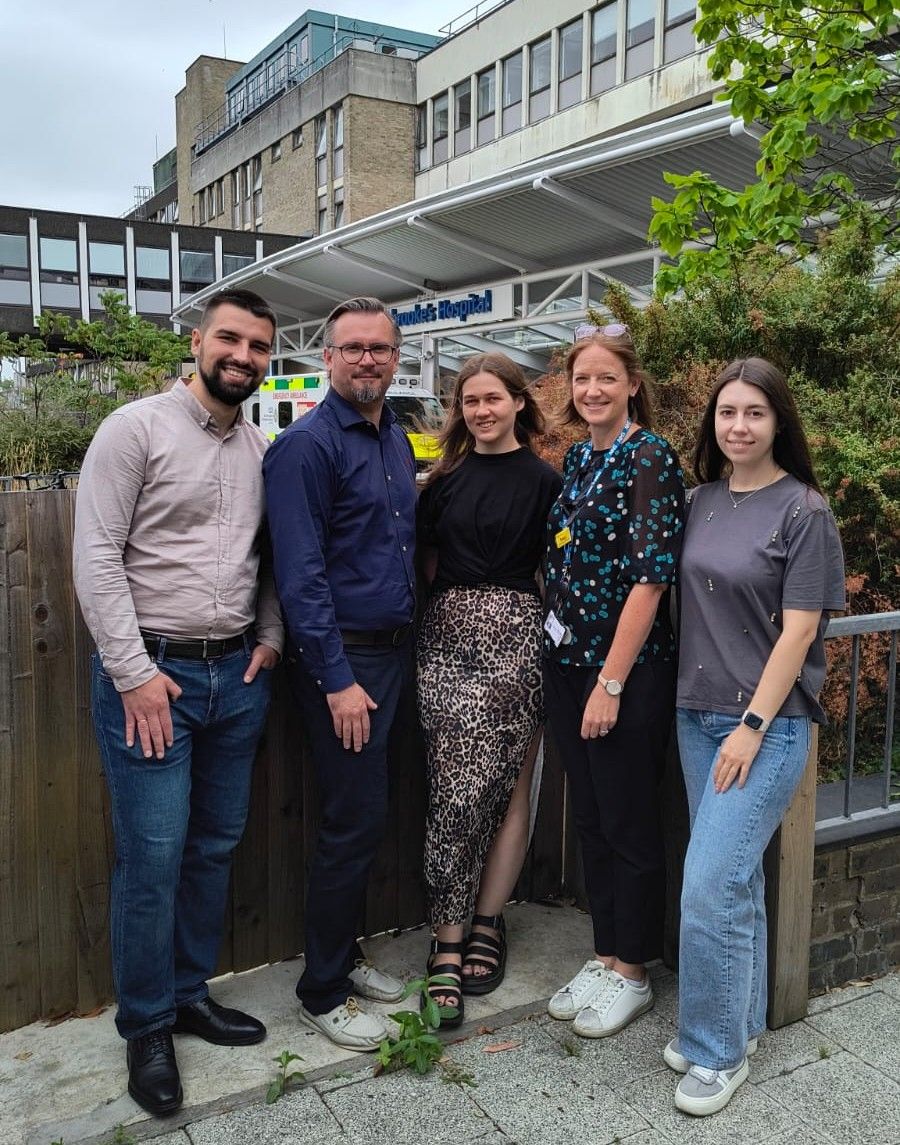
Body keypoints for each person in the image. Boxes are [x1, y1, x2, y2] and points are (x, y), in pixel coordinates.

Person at [73, 288, 283, 1117]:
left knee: (214, 846)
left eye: (258, 346)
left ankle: (189, 992)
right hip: (152, 679)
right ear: (197, 341)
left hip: (237, 676)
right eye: (229, 338)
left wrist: (271, 638)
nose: (242, 355)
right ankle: (147, 1023)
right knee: (153, 858)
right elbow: (95, 555)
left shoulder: (261, 449)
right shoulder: (135, 429)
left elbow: (271, 558)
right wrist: (132, 674)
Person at [665, 358, 845, 1116]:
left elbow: (799, 630)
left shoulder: (805, 510)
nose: (738, 426)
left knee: (708, 885)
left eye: (754, 413)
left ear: (778, 422)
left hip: (763, 728)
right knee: (735, 881)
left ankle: (716, 1055)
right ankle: (737, 1023)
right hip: (693, 715)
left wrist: (750, 726)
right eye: (727, 412)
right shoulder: (699, 500)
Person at [263, 296, 416, 1052]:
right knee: (350, 821)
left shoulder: (394, 437)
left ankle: (345, 957)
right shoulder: (305, 447)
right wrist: (335, 679)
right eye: (351, 347)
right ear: (326, 358)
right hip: (345, 663)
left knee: (367, 817)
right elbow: (300, 576)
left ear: (396, 358)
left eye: (379, 348)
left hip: (393, 652)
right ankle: (321, 990)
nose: (366, 359)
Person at [542, 323, 684, 1039]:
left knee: (628, 821)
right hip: (567, 665)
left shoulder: (649, 456)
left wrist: (612, 682)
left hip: (622, 674)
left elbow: (650, 580)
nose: (592, 389)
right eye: (582, 378)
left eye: (606, 377)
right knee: (593, 818)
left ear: (632, 384)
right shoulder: (578, 457)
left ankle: (634, 969)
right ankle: (604, 954)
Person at [416, 353, 562, 1026]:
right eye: (470, 400)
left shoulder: (546, 482)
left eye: (493, 398)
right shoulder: (442, 482)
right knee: (452, 790)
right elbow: (425, 562)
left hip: (518, 641)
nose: (481, 410)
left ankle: (486, 921)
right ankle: (447, 936)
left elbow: (556, 569)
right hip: (446, 640)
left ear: (518, 402)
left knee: (511, 788)